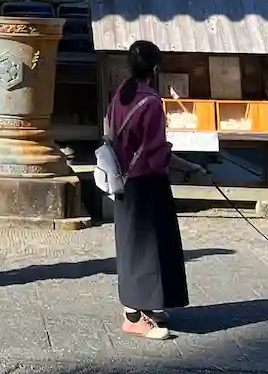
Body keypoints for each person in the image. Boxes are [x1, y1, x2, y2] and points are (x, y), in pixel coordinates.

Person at [106, 39, 203, 341]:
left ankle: (145, 306)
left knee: (134, 246)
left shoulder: (121, 94)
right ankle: (134, 316)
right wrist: (189, 166)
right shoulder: (150, 102)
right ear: (156, 68)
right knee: (148, 248)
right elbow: (156, 151)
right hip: (147, 182)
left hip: (123, 179)